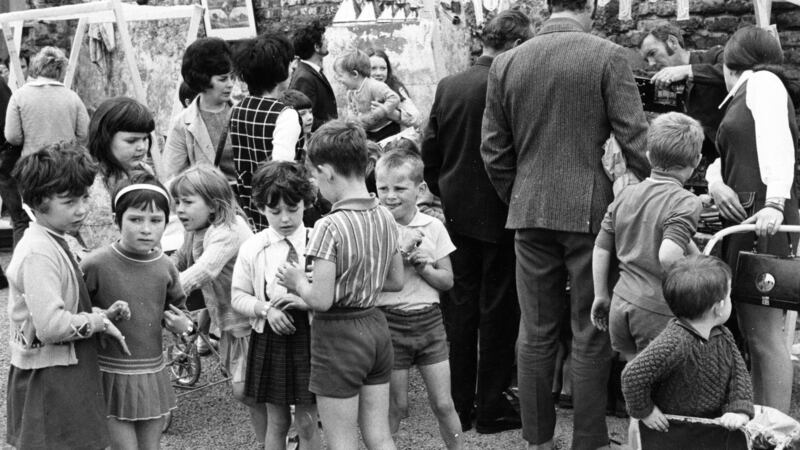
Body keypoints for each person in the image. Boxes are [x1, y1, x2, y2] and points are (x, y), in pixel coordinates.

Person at [480, 0, 650, 446]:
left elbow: (494, 151)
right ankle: (588, 439)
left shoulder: (508, 62)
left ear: (549, 6)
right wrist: (644, 195)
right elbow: (636, 140)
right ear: (589, 7)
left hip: (529, 212)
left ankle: (538, 440)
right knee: (592, 329)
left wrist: (519, 195)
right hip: (591, 215)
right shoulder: (607, 55)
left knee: (535, 331)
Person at [422, 9, 531, 433]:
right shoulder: (513, 85)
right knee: (500, 313)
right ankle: (491, 407)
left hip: (457, 213)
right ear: (518, 44)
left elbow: (430, 150)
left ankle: (459, 407)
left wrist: (446, 190)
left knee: (460, 312)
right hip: (504, 212)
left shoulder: (450, 86)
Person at [276, 120, 404, 450]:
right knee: (379, 435)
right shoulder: (386, 216)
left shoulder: (328, 226)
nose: (316, 185)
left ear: (328, 171)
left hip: (338, 336)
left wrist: (296, 283)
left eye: (315, 177)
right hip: (375, 328)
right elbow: (395, 280)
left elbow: (320, 299)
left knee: (341, 440)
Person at [6, 143, 128, 450]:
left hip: (63, 368)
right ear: (36, 201)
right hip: (51, 376)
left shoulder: (53, 239)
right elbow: (50, 326)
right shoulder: (38, 252)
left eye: (84, 196)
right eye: (70, 201)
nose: (82, 208)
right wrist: (96, 322)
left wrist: (100, 315)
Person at [706, 25, 799, 413]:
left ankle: (773, 429)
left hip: (762, 216)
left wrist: (775, 202)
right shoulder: (747, 90)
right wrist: (714, 181)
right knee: (754, 330)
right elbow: (725, 159)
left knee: (765, 334)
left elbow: (780, 145)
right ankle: (762, 420)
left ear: (732, 59)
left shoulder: (761, 82)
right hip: (750, 214)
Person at [81, 174, 192, 450]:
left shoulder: (166, 267)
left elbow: (183, 316)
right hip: (107, 373)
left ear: (167, 223)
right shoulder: (95, 264)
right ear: (117, 219)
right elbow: (75, 313)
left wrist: (183, 326)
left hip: (151, 373)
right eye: (135, 219)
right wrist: (103, 314)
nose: (146, 229)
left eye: (156, 221)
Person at [590, 112, 704, 360]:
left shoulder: (626, 194)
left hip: (621, 304)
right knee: (665, 387)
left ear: (649, 156)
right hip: (657, 310)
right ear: (697, 161)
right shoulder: (686, 201)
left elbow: (601, 248)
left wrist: (600, 295)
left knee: (635, 380)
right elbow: (668, 256)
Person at [169, 165, 267, 442]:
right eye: (178, 202)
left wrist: (165, 290)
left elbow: (204, 270)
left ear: (213, 204)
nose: (180, 209)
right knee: (253, 396)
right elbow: (180, 257)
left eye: (188, 202)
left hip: (251, 322)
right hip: (229, 323)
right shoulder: (198, 227)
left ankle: (290, 429)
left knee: (247, 390)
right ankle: (269, 442)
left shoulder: (229, 229)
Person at [374, 149, 462, 449]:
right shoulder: (376, 227)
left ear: (420, 189)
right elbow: (374, 281)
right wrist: (400, 254)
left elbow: (447, 281)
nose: (390, 196)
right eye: (382, 188)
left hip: (429, 322)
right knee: (396, 406)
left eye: (399, 188)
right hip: (389, 322)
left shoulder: (432, 226)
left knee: (444, 403)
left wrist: (425, 266)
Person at [231, 160, 321, 450]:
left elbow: (330, 292)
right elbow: (238, 296)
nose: (284, 219)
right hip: (271, 336)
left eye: (292, 209)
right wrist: (266, 310)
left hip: (310, 336)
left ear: (306, 203)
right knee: (278, 422)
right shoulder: (253, 248)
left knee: (308, 421)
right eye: (275, 211)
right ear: (260, 208)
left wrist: (305, 300)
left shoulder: (318, 241)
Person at [621, 255, 753, 432]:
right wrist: (646, 412)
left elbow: (739, 375)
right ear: (719, 306)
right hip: (671, 429)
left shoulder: (723, 336)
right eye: (729, 296)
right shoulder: (675, 341)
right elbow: (632, 376)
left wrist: (739, 411)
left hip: (708, 427)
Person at [230, 33, 300, 231]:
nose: (293, 67)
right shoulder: (286, 115)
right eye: (289, 63)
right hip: (278, 213)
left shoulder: (238, 109)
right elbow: (281, 170)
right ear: (279, 71)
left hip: (247, 209)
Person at [639, 24, 728, 165]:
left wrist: (688, 70)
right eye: (646, 59)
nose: (650, 64)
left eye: (652, 53)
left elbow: (734, 72)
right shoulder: (669, 83)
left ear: (672, 42)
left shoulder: (713, 56)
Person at [81, 97, 156, 254]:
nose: (141, 147)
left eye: (145, 138)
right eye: (131, 141)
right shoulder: (85, 177)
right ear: (105, 138)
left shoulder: (145, 173)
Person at [164, 38, 237, 184]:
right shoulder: (182, 124)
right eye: (222, 79)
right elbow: (173, 175)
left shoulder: (243, 113)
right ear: (203, 80)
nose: (230, 84)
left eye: (232, 77)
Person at [4, 46, 89, 158]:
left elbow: (12, 137)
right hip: (66, 163)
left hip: (33, 163)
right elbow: (84, 134)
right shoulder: (73, 97)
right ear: (61, 70)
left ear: (37, 67)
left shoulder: (19, 96)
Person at [334, 49, 401, 142]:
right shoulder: (351, 92)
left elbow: (394, 98)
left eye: (340, 75)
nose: (338, 79)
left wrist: (382, 110)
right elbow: (351, 110)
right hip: (368, 131)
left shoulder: (375, 86)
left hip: (386, 130)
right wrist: (352, 120)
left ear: (354, 74)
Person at [290, 20, 337, 131]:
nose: (327, 41)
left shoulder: (312, 71)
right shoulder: (304, 77)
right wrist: (335, 127)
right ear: (316, 47)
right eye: (324, 39)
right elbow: (304, 117)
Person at [368, 49, 422, 131]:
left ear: (388, 70)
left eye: (383, 68)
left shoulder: (395, 87)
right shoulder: (357, 89)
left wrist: (389, 112)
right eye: (373, 68)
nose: (379, 73)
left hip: (394, 139)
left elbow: (416, 120)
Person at [280, 88, 315, 161]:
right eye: (302, 114)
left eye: (310, 112)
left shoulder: (317, 140)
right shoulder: (284, 147)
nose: (310, 117)